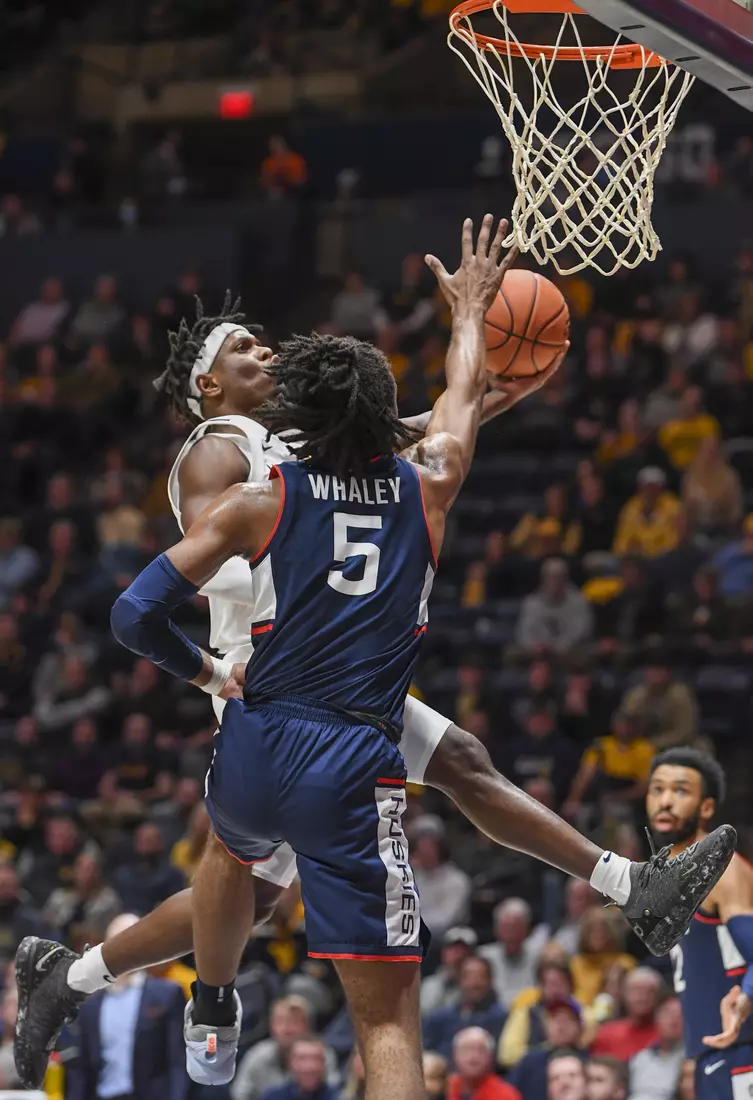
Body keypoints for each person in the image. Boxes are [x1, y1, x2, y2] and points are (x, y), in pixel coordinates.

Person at [15, 227, 734, 1087]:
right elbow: (232, 549)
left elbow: (418, 433)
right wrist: (213, 668)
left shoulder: (303, 451)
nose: (265, 349)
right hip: (266, 669)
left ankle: (72, 975)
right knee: (253, 877)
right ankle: (200, 994)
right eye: (243, 347)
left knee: (380, 813)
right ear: (209, 384)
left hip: (333, 672)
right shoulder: (224, 448)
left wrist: (498, 385)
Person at [645, 748, 753, 1100]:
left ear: (706, 807)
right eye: (657, 789)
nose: (665, 802)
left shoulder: (723, 869)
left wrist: (746, 998)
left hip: (742, 1048)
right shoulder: (664, 876)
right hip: (712, 1052)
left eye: (680, 791)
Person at [65, 914, 189, 1100]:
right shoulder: (91, 1005)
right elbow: (83, 1070)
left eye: (134, 940)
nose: (127, 949)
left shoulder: (167, 994)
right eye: (119, 941)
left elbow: (178, 1061)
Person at [232, 995, 338, 1100]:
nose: (287, 1029)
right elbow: (241, 1093)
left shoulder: (321, 1054)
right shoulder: (258, 1055)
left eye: (294, 1022)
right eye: (280, 1022)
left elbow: (334, 1090)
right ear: (271, 1026)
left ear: (308, 1027)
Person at [424, 956, 507, 1059]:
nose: (474, 983)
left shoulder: (501, 1018)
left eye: (481, 977)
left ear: (490, 981)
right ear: (460, 980)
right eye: (468, 977)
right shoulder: (439, 1018)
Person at [479, 898, 550, 1009]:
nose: (510, 933)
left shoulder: (540, 956)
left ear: (527, 929)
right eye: (506, 927)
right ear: (496, 930)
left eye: (515, 927)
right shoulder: (485, 957)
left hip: (529, 1015)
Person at [590, 968, 663, 1060]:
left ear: (658, 997)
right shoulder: (606, 1034)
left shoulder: (667, 1034)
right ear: (625, 994)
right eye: (636, 991)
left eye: (649, 992)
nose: (642, 998)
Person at [629, 996, 685, 1100]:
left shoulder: (690, 1061)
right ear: (656, 1018)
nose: (673, 1021)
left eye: (680, 1015)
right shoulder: (639, 1058)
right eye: (668, 1014)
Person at [447, 1027, 521, 1100]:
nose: (473, 1056)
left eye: (481, 1050)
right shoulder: (444, 1088)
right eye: (467, 1049)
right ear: (455, 1055)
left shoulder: (506, 1095)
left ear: (491, 1057)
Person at [421, 926, 479, 1015]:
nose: (459, 955)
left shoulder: (477, 987)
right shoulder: (429, 985)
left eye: (464, 950)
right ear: (443, 953)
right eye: (453, 949)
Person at [260, 1038, 338, 1100]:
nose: (309, 1066)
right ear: (290, 1063)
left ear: (324, 1063)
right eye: (302, 1059)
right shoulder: (272, 1096)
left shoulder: (338, 1096)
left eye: (316, 1058)